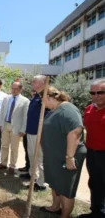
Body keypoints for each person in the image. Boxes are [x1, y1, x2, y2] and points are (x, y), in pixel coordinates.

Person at [40, 86, 86, 218]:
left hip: (67, 156)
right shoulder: (55, 110)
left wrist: (70, 156)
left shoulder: (68, 109)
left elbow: (75, 132)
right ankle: (55, 207)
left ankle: (64, 216)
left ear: (49, 97)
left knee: (66, 188)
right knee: (55, 183)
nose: (43, 104)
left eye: (43, 101)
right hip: (54, 156)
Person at [80, 80, 105, 218]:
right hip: (91, 152)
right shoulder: (89, 109)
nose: (96, 96)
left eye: (100, 92)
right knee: (94, 182)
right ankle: (95, 212)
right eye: (93, 93)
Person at [20, 75, 49, 191]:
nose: (32, 82)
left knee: (40, 158)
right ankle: (33, 178)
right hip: (31, 131)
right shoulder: (36, 95)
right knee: (32, 156)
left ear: (42, 83)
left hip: (39, 132)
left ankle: (41, 183)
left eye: (34, 81)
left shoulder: (45, 96)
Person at [0, 81, 30, 174]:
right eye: (12, 88)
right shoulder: (6, 99)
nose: (14, 90)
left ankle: (12, 166)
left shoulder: (25, 101)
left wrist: (23, 129)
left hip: (16, 127)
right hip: (5, 125)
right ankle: (3, 163)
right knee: (4, 146)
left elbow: (25, 116)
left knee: (14, 148)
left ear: (20, 89)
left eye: (16, 89)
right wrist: (0, 124)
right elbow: (2, 112)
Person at [18, 89, 36, 173]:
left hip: (33, 131)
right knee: (27, 150)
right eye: (33, 91)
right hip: (27, 129)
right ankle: (28, 167)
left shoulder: (39, 102)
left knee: (33, 152)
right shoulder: (31, 101)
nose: (33, 92)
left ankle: (31, 171)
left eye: (35, 91)